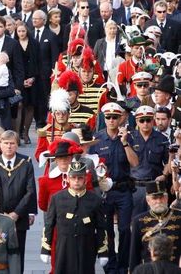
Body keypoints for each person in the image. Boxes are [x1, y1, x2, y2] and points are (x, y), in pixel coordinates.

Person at [91, 102, 139, 273]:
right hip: (105, 191)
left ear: (121, 118)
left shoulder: (129, 137)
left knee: (125, 229)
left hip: (124, 189)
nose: (111, 120)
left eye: (115, 117)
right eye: (108, 117)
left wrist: (125, 143)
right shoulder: (97, 138)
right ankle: (110, 265)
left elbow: (135, 163)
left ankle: (123, 264)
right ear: (104, 119)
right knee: (106, 230)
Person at [41, 159, 108, 274]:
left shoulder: (95, 200)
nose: (76, 181)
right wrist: (45, 249)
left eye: (80, 178)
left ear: (85, 180)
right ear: (68, 179)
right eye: (73, 177)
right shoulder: (57, 198)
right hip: (64, 247)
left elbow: (101, 227)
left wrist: (103, 252)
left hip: (86, 247)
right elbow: (49, 224)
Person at [0, 130, 36, 272]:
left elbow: (30, 191)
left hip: (18, 218)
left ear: (17, 145)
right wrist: (1, 214)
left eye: (12, 143)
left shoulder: (25, 164)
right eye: (5, 143)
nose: (9, 146)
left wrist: (17, 213)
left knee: (17, 253)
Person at [129, 180, 181, 268]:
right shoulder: (138, 221)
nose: (159, 201)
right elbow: (134, 251)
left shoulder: (179, 216)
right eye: (155, 198)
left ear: (167, 198)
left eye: (161, 197)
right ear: (148, 200)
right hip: (149, 270)